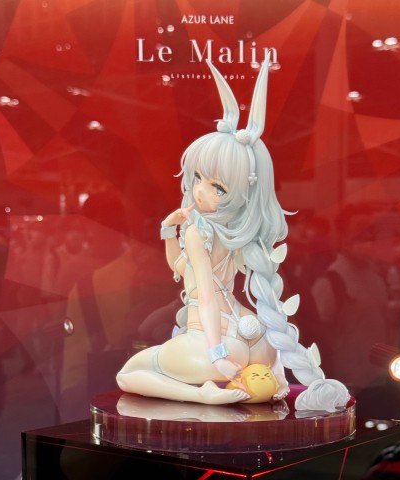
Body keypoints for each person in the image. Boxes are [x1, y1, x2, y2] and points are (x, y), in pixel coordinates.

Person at [116, 56, 349, 415]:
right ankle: (274, 380)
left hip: (214, 337)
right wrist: (167, 231)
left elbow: (206, 298)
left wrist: (217, 354)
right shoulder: (240, 232)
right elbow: (181, 267)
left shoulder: (198, 232)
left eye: (217, 187)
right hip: (256, 341)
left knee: (129, 374)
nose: (199, 191)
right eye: (197, 178)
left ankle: (202, 395)